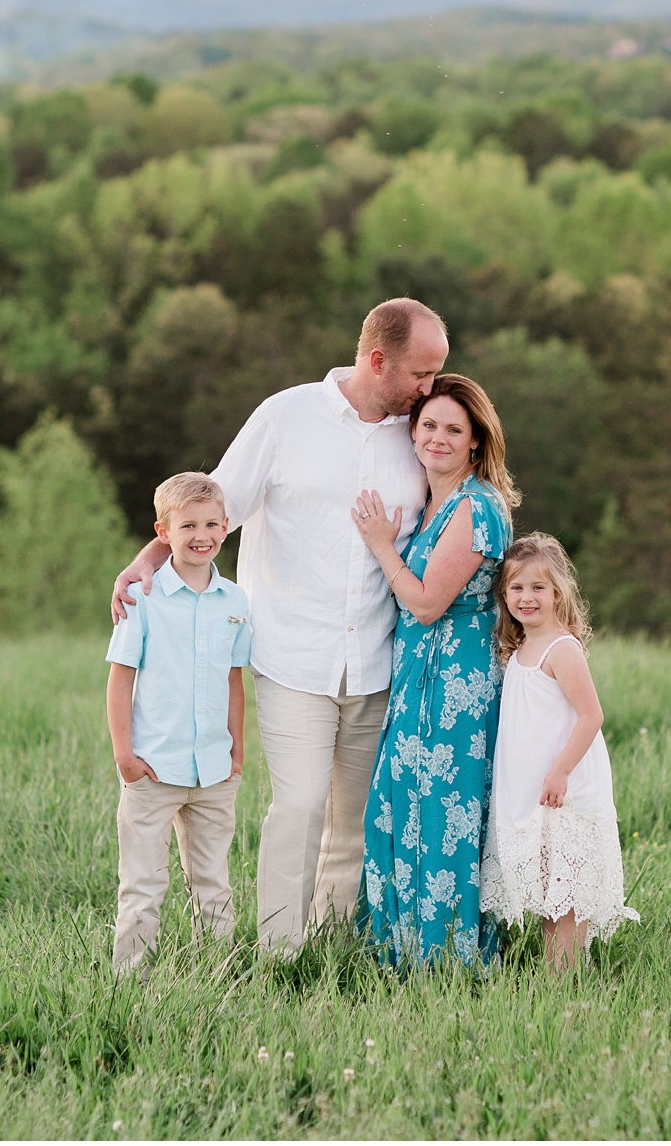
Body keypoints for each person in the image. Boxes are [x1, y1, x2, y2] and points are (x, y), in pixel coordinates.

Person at [110, 298, 450, 956]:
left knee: (349, 822)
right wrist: (146, 558)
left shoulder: (419, 437)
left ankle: (330, 948)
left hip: (377, 661)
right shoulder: (285, 416)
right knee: (297, 808)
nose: (430, 389)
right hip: (291, 654)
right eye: (421, 372)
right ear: (378, 360)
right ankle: (279, 953)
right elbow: (213, 505)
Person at [350, 374, 518, 969]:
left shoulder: (476, 508)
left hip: (457, 690)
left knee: (445, 813)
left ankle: (449, 961)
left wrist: (380, 544)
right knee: (402, 808)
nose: (438, 438)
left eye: (454, 429)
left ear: (476, 441)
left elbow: (425, 602)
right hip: (418, 682)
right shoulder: (434, 505)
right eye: (428, 426)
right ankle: (398, 953)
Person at [104, 473, 252, 976]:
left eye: (211, 523)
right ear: (162, 531)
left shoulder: (234, 602)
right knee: (143, 884)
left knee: (213, 882)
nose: (201, 534)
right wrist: (124, 755)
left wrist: (236, 752)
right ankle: (131, 980)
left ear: (226, 527)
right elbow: (120, 681)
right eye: (187, 525)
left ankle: (216, 976)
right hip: (153, 767)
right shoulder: (142, 598)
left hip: (213, 769)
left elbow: (234, 680)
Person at [479, 533, 638, 970]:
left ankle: (561, 982)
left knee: (565, 896)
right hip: (535, 791)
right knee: (551, 893)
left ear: (558, 593)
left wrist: (560, 771)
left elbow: (592, 716)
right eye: (516, 588)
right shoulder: (520, 647)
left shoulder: (561, 649)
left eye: (538, 588)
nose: (526, 598)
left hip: (564, 789)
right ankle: (562, 974)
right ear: (504, 594)